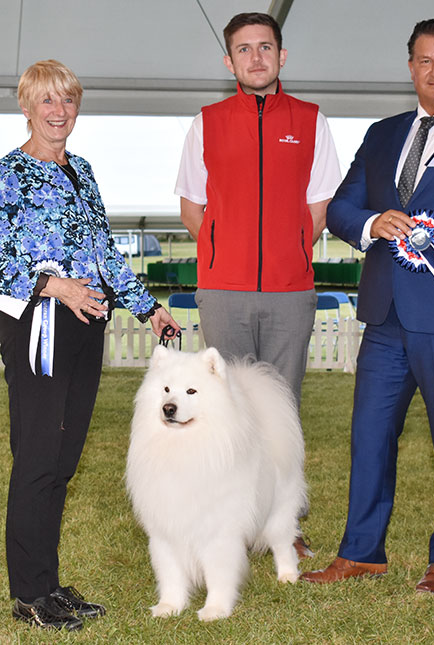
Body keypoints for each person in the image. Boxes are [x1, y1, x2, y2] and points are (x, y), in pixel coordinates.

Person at [301, 18, 434, 592]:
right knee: (369, 438)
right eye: (425, 60)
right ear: (410, 66)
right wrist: (369, 221)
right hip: (385, 315)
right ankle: (361, 551)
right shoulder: (383, 132)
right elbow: (340, 208)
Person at [0, 59, 180, 631]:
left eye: (68, 101)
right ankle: (28, 595)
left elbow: (103, 254)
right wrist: (52, 285)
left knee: (62, 461)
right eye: (47, 101)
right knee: (35, 459)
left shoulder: (83, 171)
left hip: (85, 325)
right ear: (26, 107)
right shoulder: (8, 175)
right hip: (37, 324)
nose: (59, 112)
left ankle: (49, 585)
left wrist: (147, 305)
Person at [175, 11, 341, 560]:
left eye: (265, 47)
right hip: (223, 290)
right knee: (225, 410)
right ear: (230, 61)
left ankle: (283, 526)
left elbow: (320, 208)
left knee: (282, 412)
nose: (255, 57)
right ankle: (230, 525)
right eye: (243, 49)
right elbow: (191, 207)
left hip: (291, 292)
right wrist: (226, 253)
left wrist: (287, 250)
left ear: (282, 55)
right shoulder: (207, 121)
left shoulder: (312, 120)